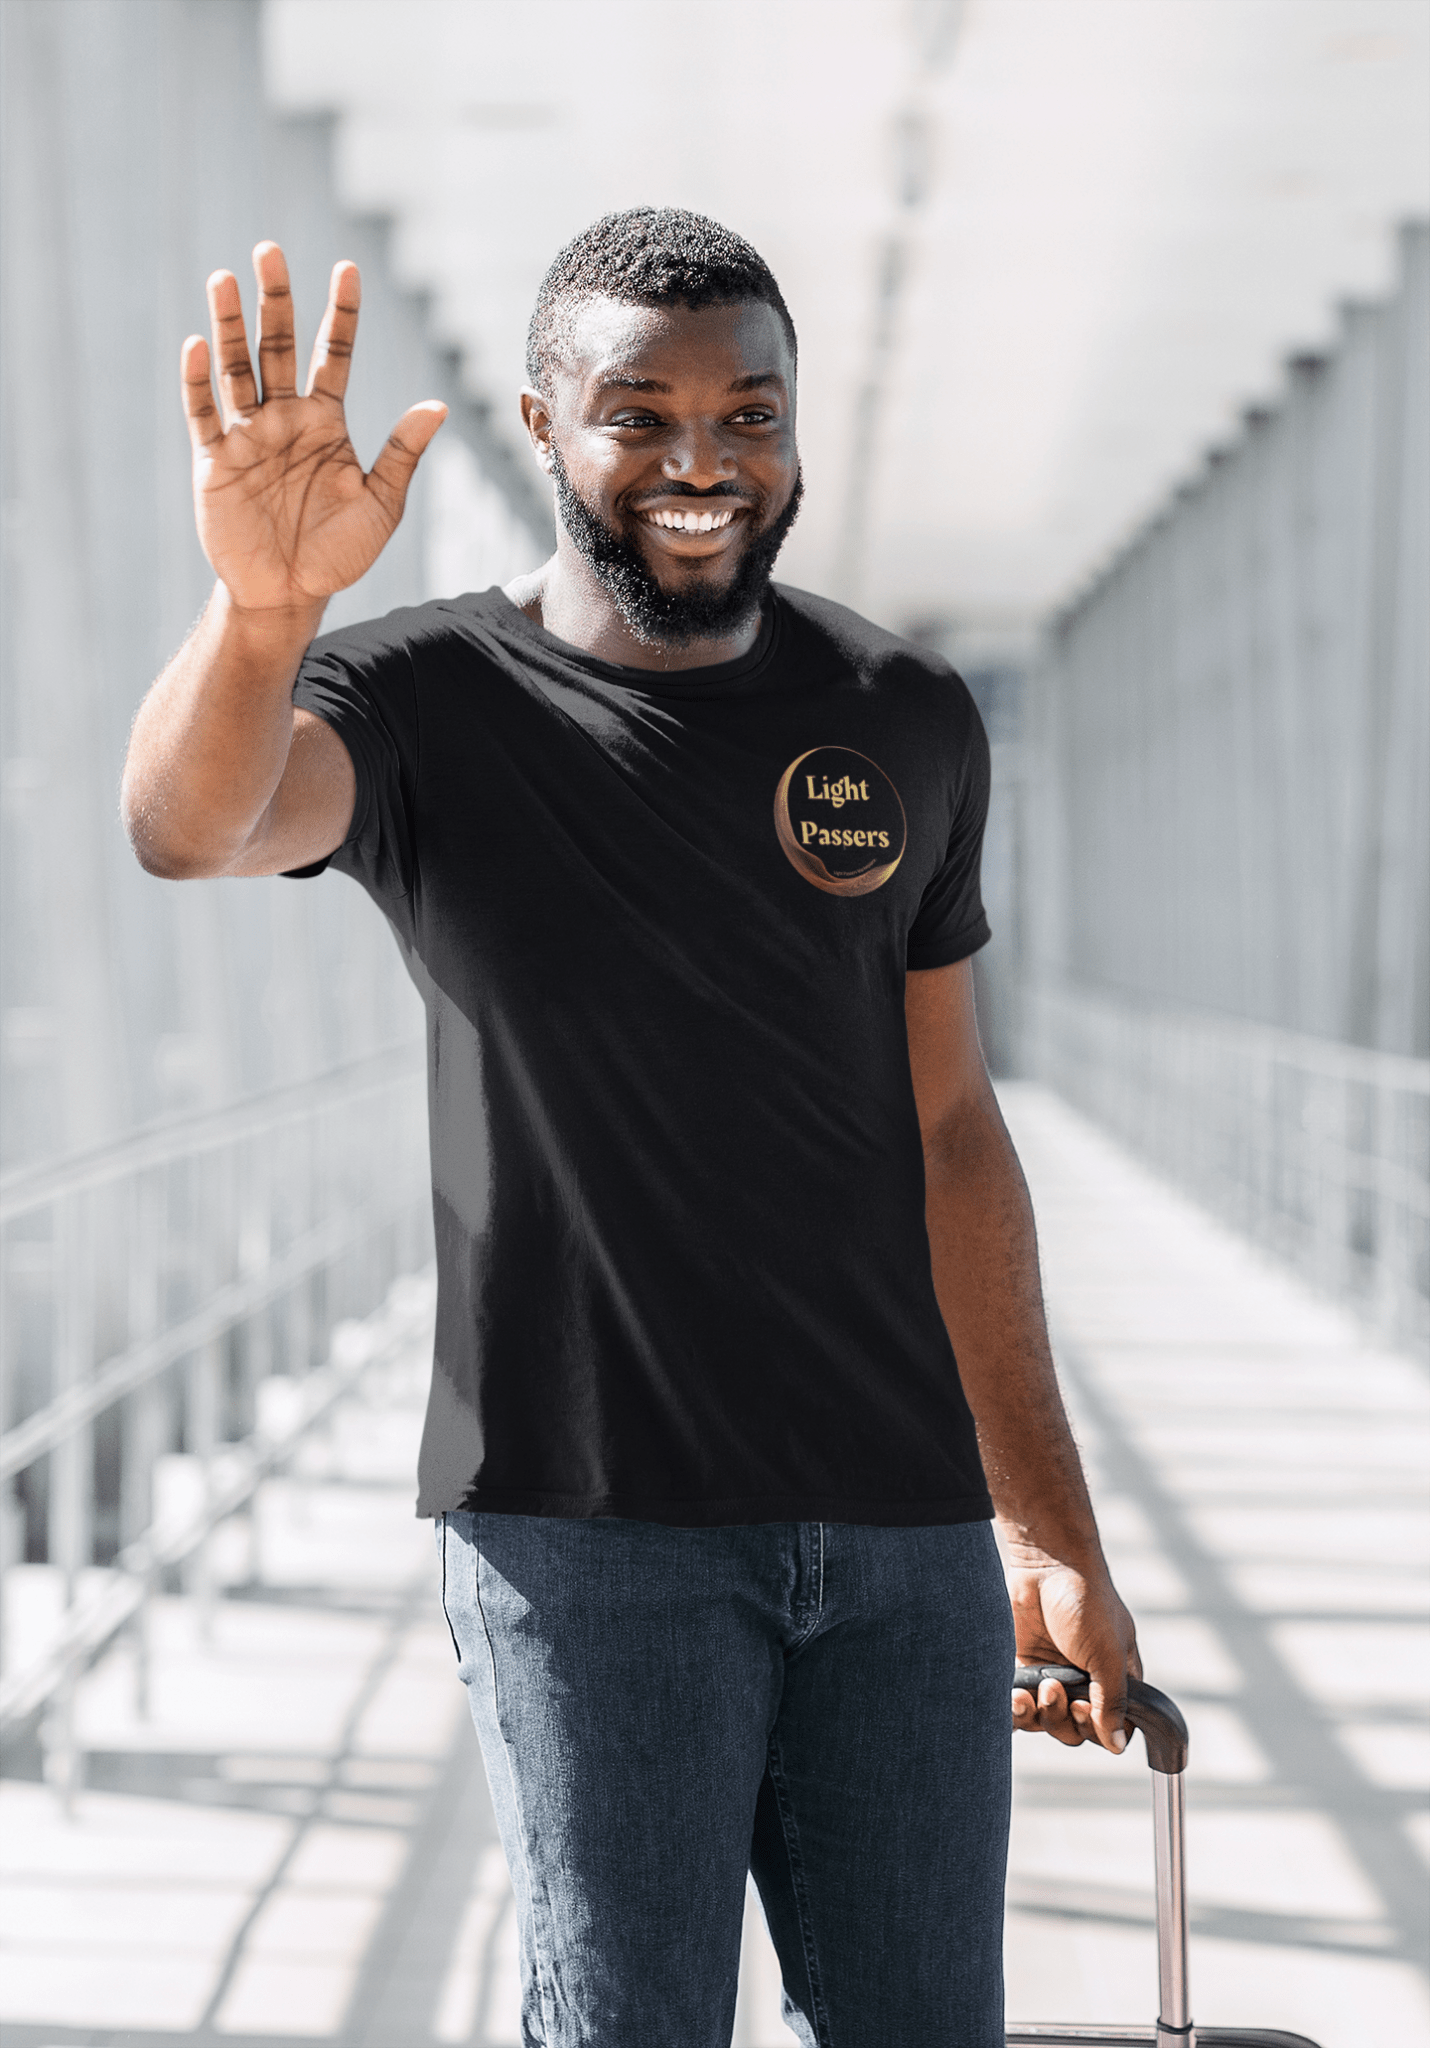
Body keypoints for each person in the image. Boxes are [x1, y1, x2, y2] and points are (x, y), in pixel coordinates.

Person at [123, 208, 1139, 2048]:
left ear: (796, 430)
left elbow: (952, 1129)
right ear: (540, 425)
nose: (701, 462)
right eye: (639, 412)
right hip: (588, 1537)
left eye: (748, 414)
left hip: (904, 1540)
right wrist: (265, 617)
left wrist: (1040, 1521)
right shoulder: (420, 703)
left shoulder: (898, 713)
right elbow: (194, 827)